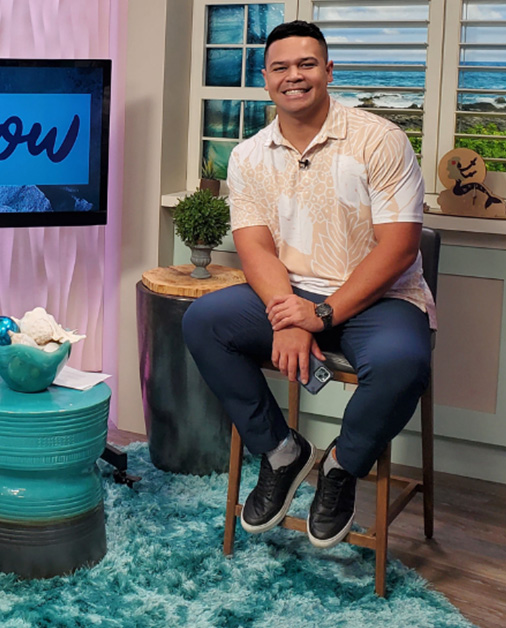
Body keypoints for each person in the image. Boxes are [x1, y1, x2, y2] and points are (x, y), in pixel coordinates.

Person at [182, 20, 433, 549]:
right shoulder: (248, 156)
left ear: (328, 71)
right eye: (280, 67)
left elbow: (399, 248)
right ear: (266, 78)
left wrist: (318, 316)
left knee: (402, 362)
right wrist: (288, 314)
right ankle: (282, 453)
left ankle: (341, 466)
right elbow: (255, 248)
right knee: (204, 321)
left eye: (306, 64)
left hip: (379, 299)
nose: (293, 76)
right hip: (292, 295)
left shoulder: (380, 139)